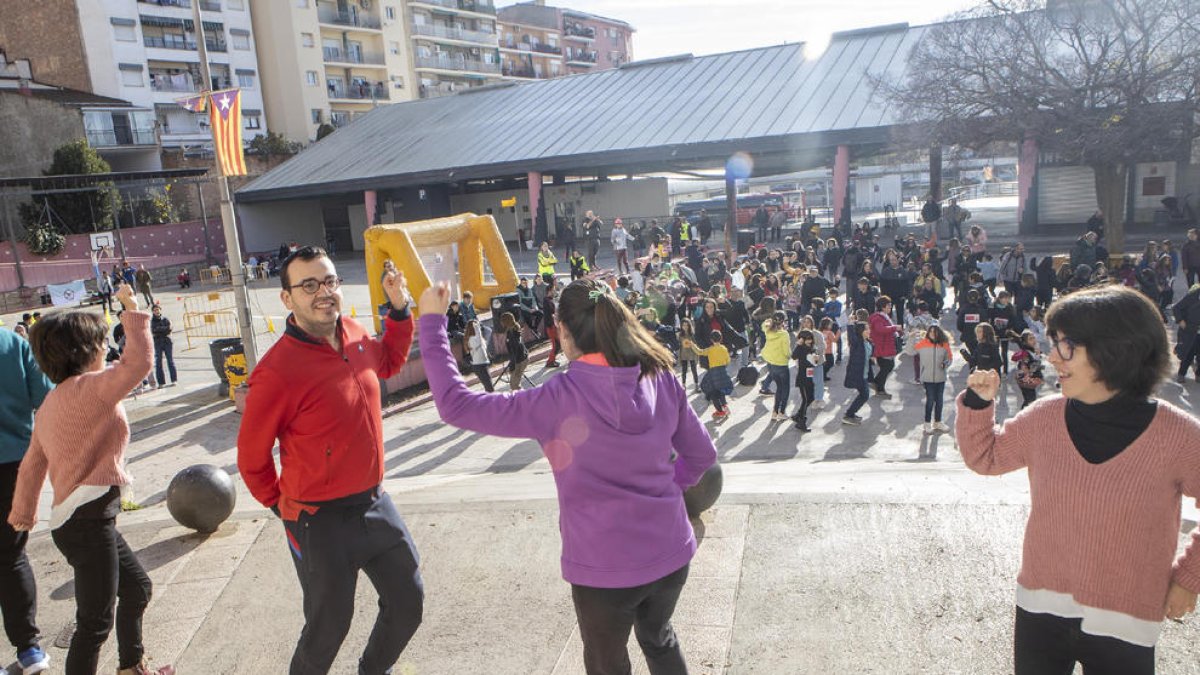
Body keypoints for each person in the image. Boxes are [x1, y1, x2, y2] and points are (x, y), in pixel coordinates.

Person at [417, 277, 718, 674]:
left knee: (606, 662)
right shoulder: (658, 375)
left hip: (605, 568)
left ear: (562, 329)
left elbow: (455, 404)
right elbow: (702, 456)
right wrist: (667, 492)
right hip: (672, 551)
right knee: (659, 638)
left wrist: (431, 323)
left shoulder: (555, 398)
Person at [956, 285, 1200, 675]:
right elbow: (987, 457)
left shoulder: (1178, 435)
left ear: (1114, 349)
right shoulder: (1045, 418)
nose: (1052, 357)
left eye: (1066, 346)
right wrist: (978, 405)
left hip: (1128, 619)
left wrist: (1189, 578)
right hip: (1040, 608)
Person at [236, 247, 424, 675]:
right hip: (318, 519)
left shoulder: (354, 333)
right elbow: (251, 458)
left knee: (408, 602)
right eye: (308, 285)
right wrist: (283, 509)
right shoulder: (276, 372)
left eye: (330, 281)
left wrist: (399, 308)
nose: (324, 292)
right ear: (287, 299)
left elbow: (391, 362)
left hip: (375, 502)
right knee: (327, 629)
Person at [9, 283, 174, 675]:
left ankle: (131, 666)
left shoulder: (51, 402)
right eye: (102, 343)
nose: (106, 350)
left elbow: (32, 464)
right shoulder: (92, 389)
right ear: (84, 352)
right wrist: (132, 311)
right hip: (89, 520)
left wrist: (23, 514)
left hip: (78, 521)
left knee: (137, 589)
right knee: (95, 624)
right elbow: (138, 365)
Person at [0, 322, 54, 675]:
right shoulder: (10, 341)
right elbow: (47, 397)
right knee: (12, 555)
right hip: (14, 464)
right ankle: (30, 651)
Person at [914, 325, 953, 433]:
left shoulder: (944, 344)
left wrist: (945, 364)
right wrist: (912, 338)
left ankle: (938, 422)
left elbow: (949, 359)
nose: (932, 333)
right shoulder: (923, 344)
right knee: (930, 399)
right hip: (927, 378)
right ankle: (927, 423)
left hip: (941, 378)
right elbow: (911, 351)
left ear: (938, 333)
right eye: (930, 331)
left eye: (934, 331)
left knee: (939, 400)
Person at [759, 311, 793, 421]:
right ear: (783, 321)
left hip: (770, 362)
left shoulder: (768, 329)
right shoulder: (784, 334)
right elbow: (786, 351)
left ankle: (775, 411)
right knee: (785, 388)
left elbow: (763, 325)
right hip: (781, 363)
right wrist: (790, 356)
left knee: (779, 387)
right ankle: (781, 411)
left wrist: (768, 320)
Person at [868, 297, 902, 398]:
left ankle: (878, 385)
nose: (890, 308)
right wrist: (894, 328)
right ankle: (878, 386)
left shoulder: (884, 316)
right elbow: (880, 329)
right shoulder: (878, 318)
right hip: (882, 347)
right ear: (882, 307)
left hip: (886, 346)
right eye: (888, 306)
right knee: (887, 366)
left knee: (887, 367)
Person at [841, 321, 872, 425]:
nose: (869, 331)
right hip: (857, 373)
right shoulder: (857, 343)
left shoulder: (868, 342)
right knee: (865, 395)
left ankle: (850, 413)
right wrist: (849, 324)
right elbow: (851, 337)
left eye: (869, 328)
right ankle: (849, 415)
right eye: (866, 329)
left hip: (865, 373)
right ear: (861, 331)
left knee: (864, 395)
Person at [790, 329, 819, 431]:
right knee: (805, 399)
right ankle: (801, 422)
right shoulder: (801, 348)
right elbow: (793, 357)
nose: (809, 341)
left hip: (809, 376)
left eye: (810, 339)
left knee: (810, 398)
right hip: (802, 377)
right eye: (806, 339)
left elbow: (814, 363)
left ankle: (798, 415)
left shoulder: (812, 348)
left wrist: (816, 359)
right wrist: (798, 345)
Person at [1011, 329, 1044, 409]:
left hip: (1029, 380)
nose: (1034, 340)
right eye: (1030, 339)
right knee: (1030, 401)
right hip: (1026, 381)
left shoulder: (1032, 350)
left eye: (1033, 337)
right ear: (1025, 342)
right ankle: (1023, 417)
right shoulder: (1025, 354)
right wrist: (1039, 365)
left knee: (1030, 401)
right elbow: (1027, 368)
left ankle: (1024, 417)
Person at [1174, 284, 1200, 383]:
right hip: (1192, 331)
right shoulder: (1193, 296)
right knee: (1189, 354)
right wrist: (1180, 321)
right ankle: (1181, 374)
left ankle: (1198, 375)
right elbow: (1176, 308)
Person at [149, 304, 177, 388]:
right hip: (157, 342)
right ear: (153, 312)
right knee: (158, 363)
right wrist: (163, 329)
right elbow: (153, 330)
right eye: (155, 310)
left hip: (167, 341)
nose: (156, 311)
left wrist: (160, 329)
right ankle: (161, 382)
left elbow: (170, 328)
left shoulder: (165, 319)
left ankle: (174, 380)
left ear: (160, 310)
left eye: (158, 309)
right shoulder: (151, 322)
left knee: (170, 361)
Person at [501, 312, 529, 390]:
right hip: (520, 359)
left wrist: (512, 366)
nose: (501, 323)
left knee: (514, 385)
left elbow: (515, 350)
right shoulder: (512, 330)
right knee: (515, 385)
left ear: (506, 322)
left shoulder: (513, 333)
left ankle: (524, 399)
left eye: (502, 321)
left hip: (520, 360)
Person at [464, 321, 494, 392]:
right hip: (479, 366)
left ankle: (491, 400)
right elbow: (478, 340)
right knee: (489, 388)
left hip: (482, 364)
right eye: (477, 327)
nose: (479, 328)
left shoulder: (478, 338)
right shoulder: (472, 339)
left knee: (489, 387)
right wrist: (476, 326)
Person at [678, 318, 699, 390]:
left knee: (694, 370)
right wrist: (679, 357)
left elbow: (696, 344)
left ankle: (696, 384)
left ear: (689, 326)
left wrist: (693, 345)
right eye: (683, 325)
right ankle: (683, 385)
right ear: (681, 326)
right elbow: (679, 346)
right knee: (684, 371)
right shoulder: (680, 335)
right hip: (683, 355)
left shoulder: (692, 335)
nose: (685, 327)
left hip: (692, 354)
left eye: (687, 325)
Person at [543, 283, 561, 368]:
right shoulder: (547, 301)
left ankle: (552, 360)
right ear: (549, 291)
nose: (554, 291)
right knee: (556, 345)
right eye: (553, 290)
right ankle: (550, 362)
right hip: (550, 326)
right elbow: (549, 314)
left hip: (552, 325)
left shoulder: (549, 300)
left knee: (558, 344)